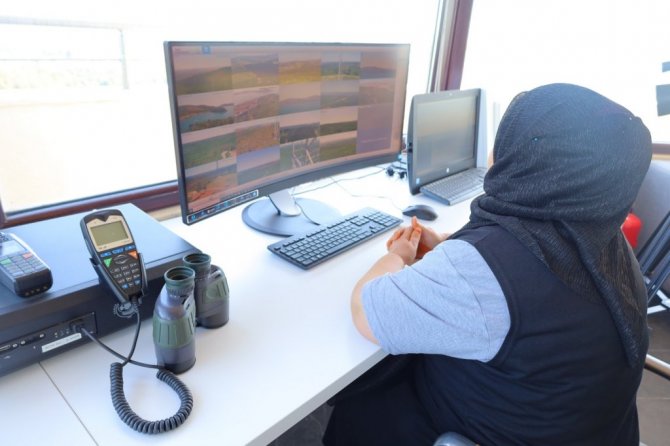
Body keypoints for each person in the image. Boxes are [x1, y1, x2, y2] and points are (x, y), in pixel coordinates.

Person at [323, 83, 653, 445]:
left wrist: (398, 255)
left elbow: (366, 311)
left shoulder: (482, 274)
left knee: (364, 399)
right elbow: (533, 259)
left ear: (528, 159)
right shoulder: (602, 238)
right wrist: (447, 244)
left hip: (487, 431)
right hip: (581, 428)